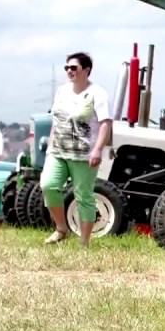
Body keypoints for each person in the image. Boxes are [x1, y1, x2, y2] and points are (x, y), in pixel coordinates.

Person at [41, 51, 112, 247]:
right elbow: (57, 120)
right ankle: (61, 228)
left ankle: (84, 242)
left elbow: (105, 123)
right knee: (48, 185)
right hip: (58, 150)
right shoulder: (62, 91)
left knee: (83, 196)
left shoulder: (97, 93)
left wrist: (98, 149)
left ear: (86, 70)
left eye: (74, 68)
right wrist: (49, 146)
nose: (69, 71)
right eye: (67, 68)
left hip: (83, 154)